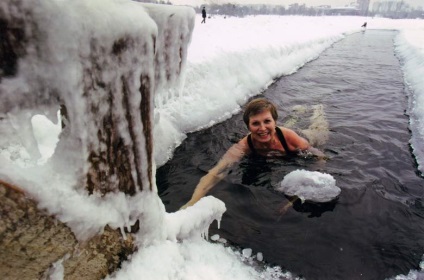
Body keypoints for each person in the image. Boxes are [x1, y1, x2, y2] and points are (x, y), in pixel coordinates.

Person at [181, 98, 325, 209]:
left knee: (320, 131)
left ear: (274, 121)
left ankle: (318, 110)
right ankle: (297, 113)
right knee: (283, 126)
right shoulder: (243, 146)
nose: (262, 128)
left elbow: (320, 158)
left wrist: (304, 189)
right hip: (276, 136)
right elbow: (215, 173)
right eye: (256, 123)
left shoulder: (290, 138)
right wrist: (192, 201)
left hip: (304, 137)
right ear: (248, 126)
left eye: (267, 121)